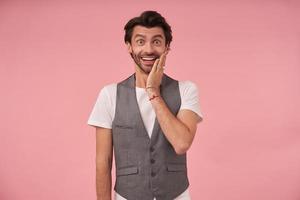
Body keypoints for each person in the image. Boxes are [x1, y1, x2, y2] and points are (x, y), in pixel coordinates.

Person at [87, 10, 203, 200]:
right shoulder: (109, 95)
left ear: (167, 47)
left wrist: (153, 92)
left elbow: (182, 143)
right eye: (140, 41)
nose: (148, 50)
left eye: (156, 41)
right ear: (129, 47)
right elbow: (103, 162)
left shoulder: (186, 90)